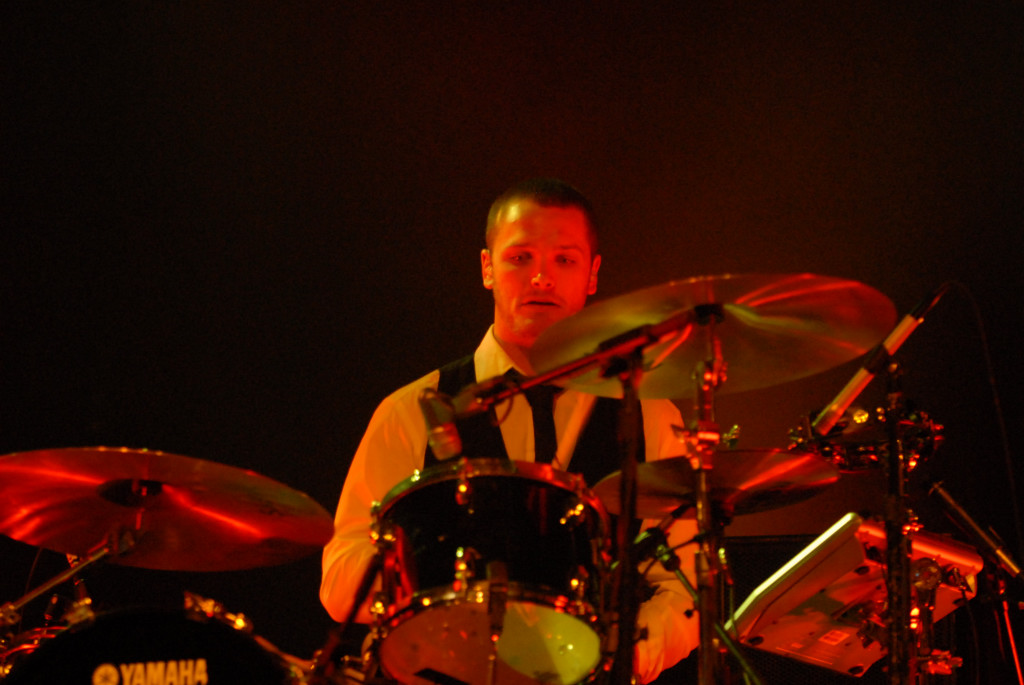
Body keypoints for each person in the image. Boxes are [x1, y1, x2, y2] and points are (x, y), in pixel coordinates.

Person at [321, 178, 699, 683]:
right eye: (520, 258)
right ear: (487, 268)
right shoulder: (410, 410)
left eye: (564, 260)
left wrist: (627, 656)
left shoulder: (648, 414)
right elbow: (339, 578)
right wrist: (420, 574)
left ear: (592, 274)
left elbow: (685, 584)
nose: (541, 277)